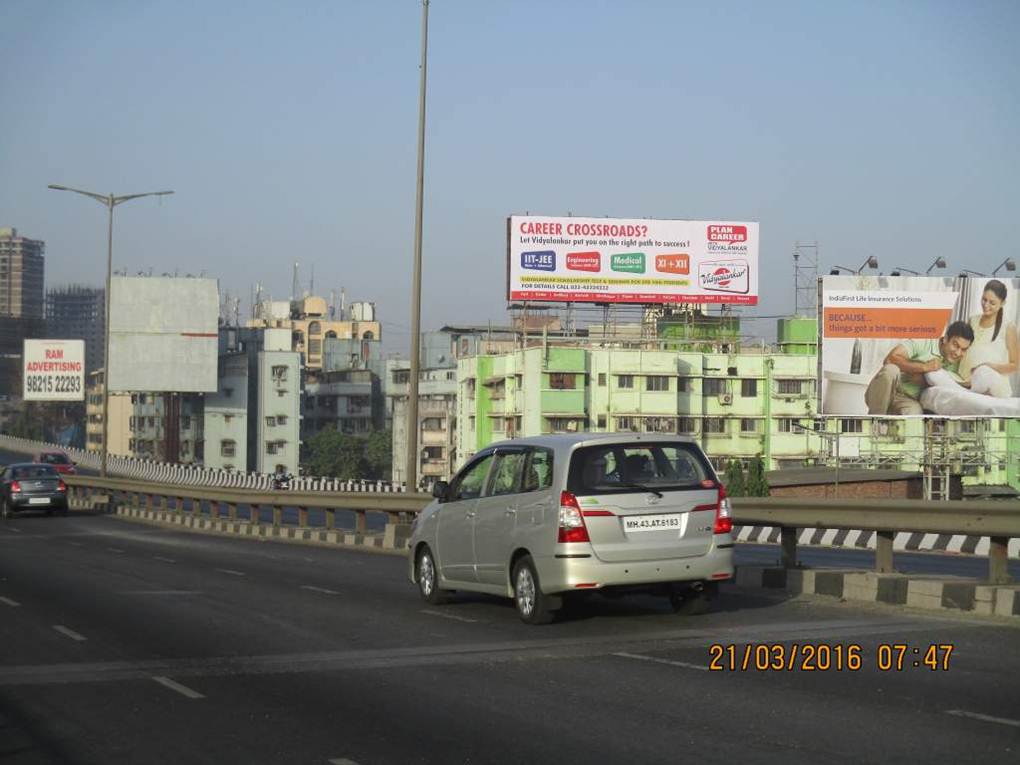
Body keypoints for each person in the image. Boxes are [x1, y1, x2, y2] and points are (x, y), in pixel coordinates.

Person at [865, 321, 974, 415]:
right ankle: (874, 421)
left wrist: (924, 381)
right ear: (945, 339)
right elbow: (890, 359)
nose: (958, 353)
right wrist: (924, 367)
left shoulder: (957, 364)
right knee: (891, 370)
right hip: (887, 390)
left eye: (964, 349)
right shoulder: (925, 341)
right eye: (955, 345)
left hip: (908, 400)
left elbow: (957, 386)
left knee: (914, 415)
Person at [957, 279, 1018, 398]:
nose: (986, 305)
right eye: (984, 299)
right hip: (966, 381)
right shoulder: (972, 320)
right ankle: (967, 387)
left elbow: (1015, 366)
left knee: (983, 372)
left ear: (1002, 303)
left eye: (992, 302)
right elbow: (962, 349)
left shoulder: (1008, 327)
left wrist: (988, 366)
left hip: (991, 383)